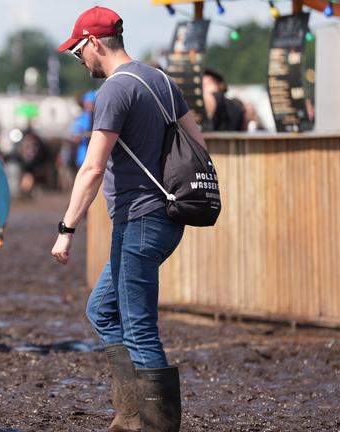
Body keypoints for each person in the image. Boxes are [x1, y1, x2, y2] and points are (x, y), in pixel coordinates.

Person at [53, 7, 207, 432]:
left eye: (78, 51)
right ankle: (130, 416)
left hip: (141, 219)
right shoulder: (161, 80)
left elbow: (92, 168)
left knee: (139, 328)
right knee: (102, 308)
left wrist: (66, 229)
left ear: (95, 43)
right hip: (166, 216)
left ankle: (156, 425)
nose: (79, 59)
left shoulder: (114, 91)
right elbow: (198, 143)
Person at [71, 90, 97, 169]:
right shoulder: (81, 118)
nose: (88, 105)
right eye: (87, 102)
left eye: (91, 102)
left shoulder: (99, 116)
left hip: (96, 158)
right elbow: (75, 136)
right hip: (83, 158)